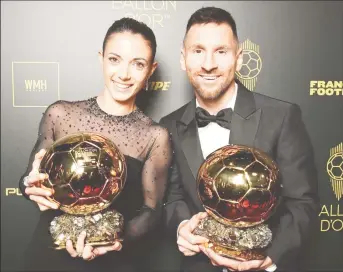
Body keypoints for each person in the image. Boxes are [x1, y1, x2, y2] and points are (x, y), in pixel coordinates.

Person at [160, 7, 319, 272]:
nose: (208, 63)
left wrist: (270, 258)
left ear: (239, 57)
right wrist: (181, 227)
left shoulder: (281, 116)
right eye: (198, 50)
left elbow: (303, 203)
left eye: (221, 51)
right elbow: (173, 197)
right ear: (183, 57)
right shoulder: (169, 125)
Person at [19, 17, 172, 272]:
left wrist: (116, 241)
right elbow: (28, 179)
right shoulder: (60, 114)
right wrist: (30, 185)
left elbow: (151, 211)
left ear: (151, 70)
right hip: (49, 258)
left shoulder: (155, 135)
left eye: (138, 64)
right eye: (115, 59)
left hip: (113, 262)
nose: (124, 74)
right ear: (101, 58)